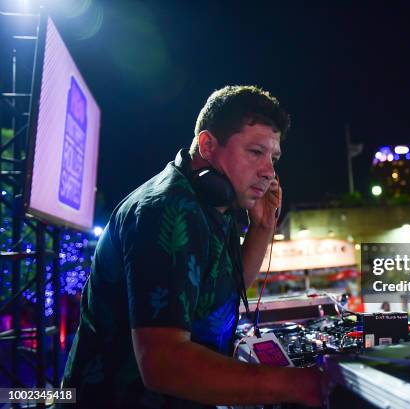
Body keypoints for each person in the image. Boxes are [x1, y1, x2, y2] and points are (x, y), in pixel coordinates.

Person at [61, 86, 324, 408]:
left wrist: (263, 228)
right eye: (256, 152)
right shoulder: (166, 210)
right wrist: (300, 385)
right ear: (208, 144)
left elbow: (226, 289)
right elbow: (164, 363)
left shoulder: (214, 205)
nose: (269, 171)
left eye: (274, 158)